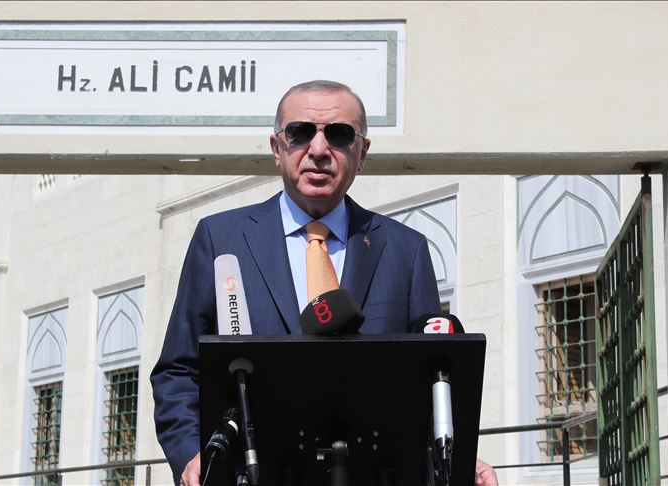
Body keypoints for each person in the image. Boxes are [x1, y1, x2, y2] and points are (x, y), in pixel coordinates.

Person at [151, 80, 498, 486]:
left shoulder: (406, 251)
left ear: (362, 154)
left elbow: (432, 381)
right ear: (276, 148)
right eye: (300, 132)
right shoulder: (220, 241)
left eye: (339, 134)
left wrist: (456, 460)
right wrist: (192, 455)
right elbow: (177, 372)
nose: (318, 149)